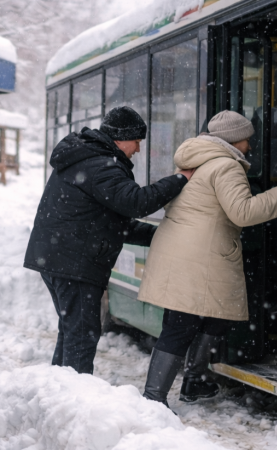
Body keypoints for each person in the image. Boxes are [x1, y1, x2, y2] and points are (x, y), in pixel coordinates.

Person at [137, 110, 277, 407]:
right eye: (247, 139)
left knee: (217, 315)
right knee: (181, 325)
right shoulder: (226, 166)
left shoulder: (197, 160)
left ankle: (194, 380)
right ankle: (154, 398)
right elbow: (243, 212)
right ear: (234, 139)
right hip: (198, 256)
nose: (249, 146)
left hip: (185, 251)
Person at [24, 106, 194, 375]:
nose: (138, 148)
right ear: (121, 138)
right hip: (74, 264)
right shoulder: (102, 165)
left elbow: (113, 224)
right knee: (81, 335)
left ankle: (60, 386)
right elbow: (137, 202)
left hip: (59, 258)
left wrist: (161, 235)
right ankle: (73, 393)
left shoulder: (89, 158)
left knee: (72, 331)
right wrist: (180, 179)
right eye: (136, 141)